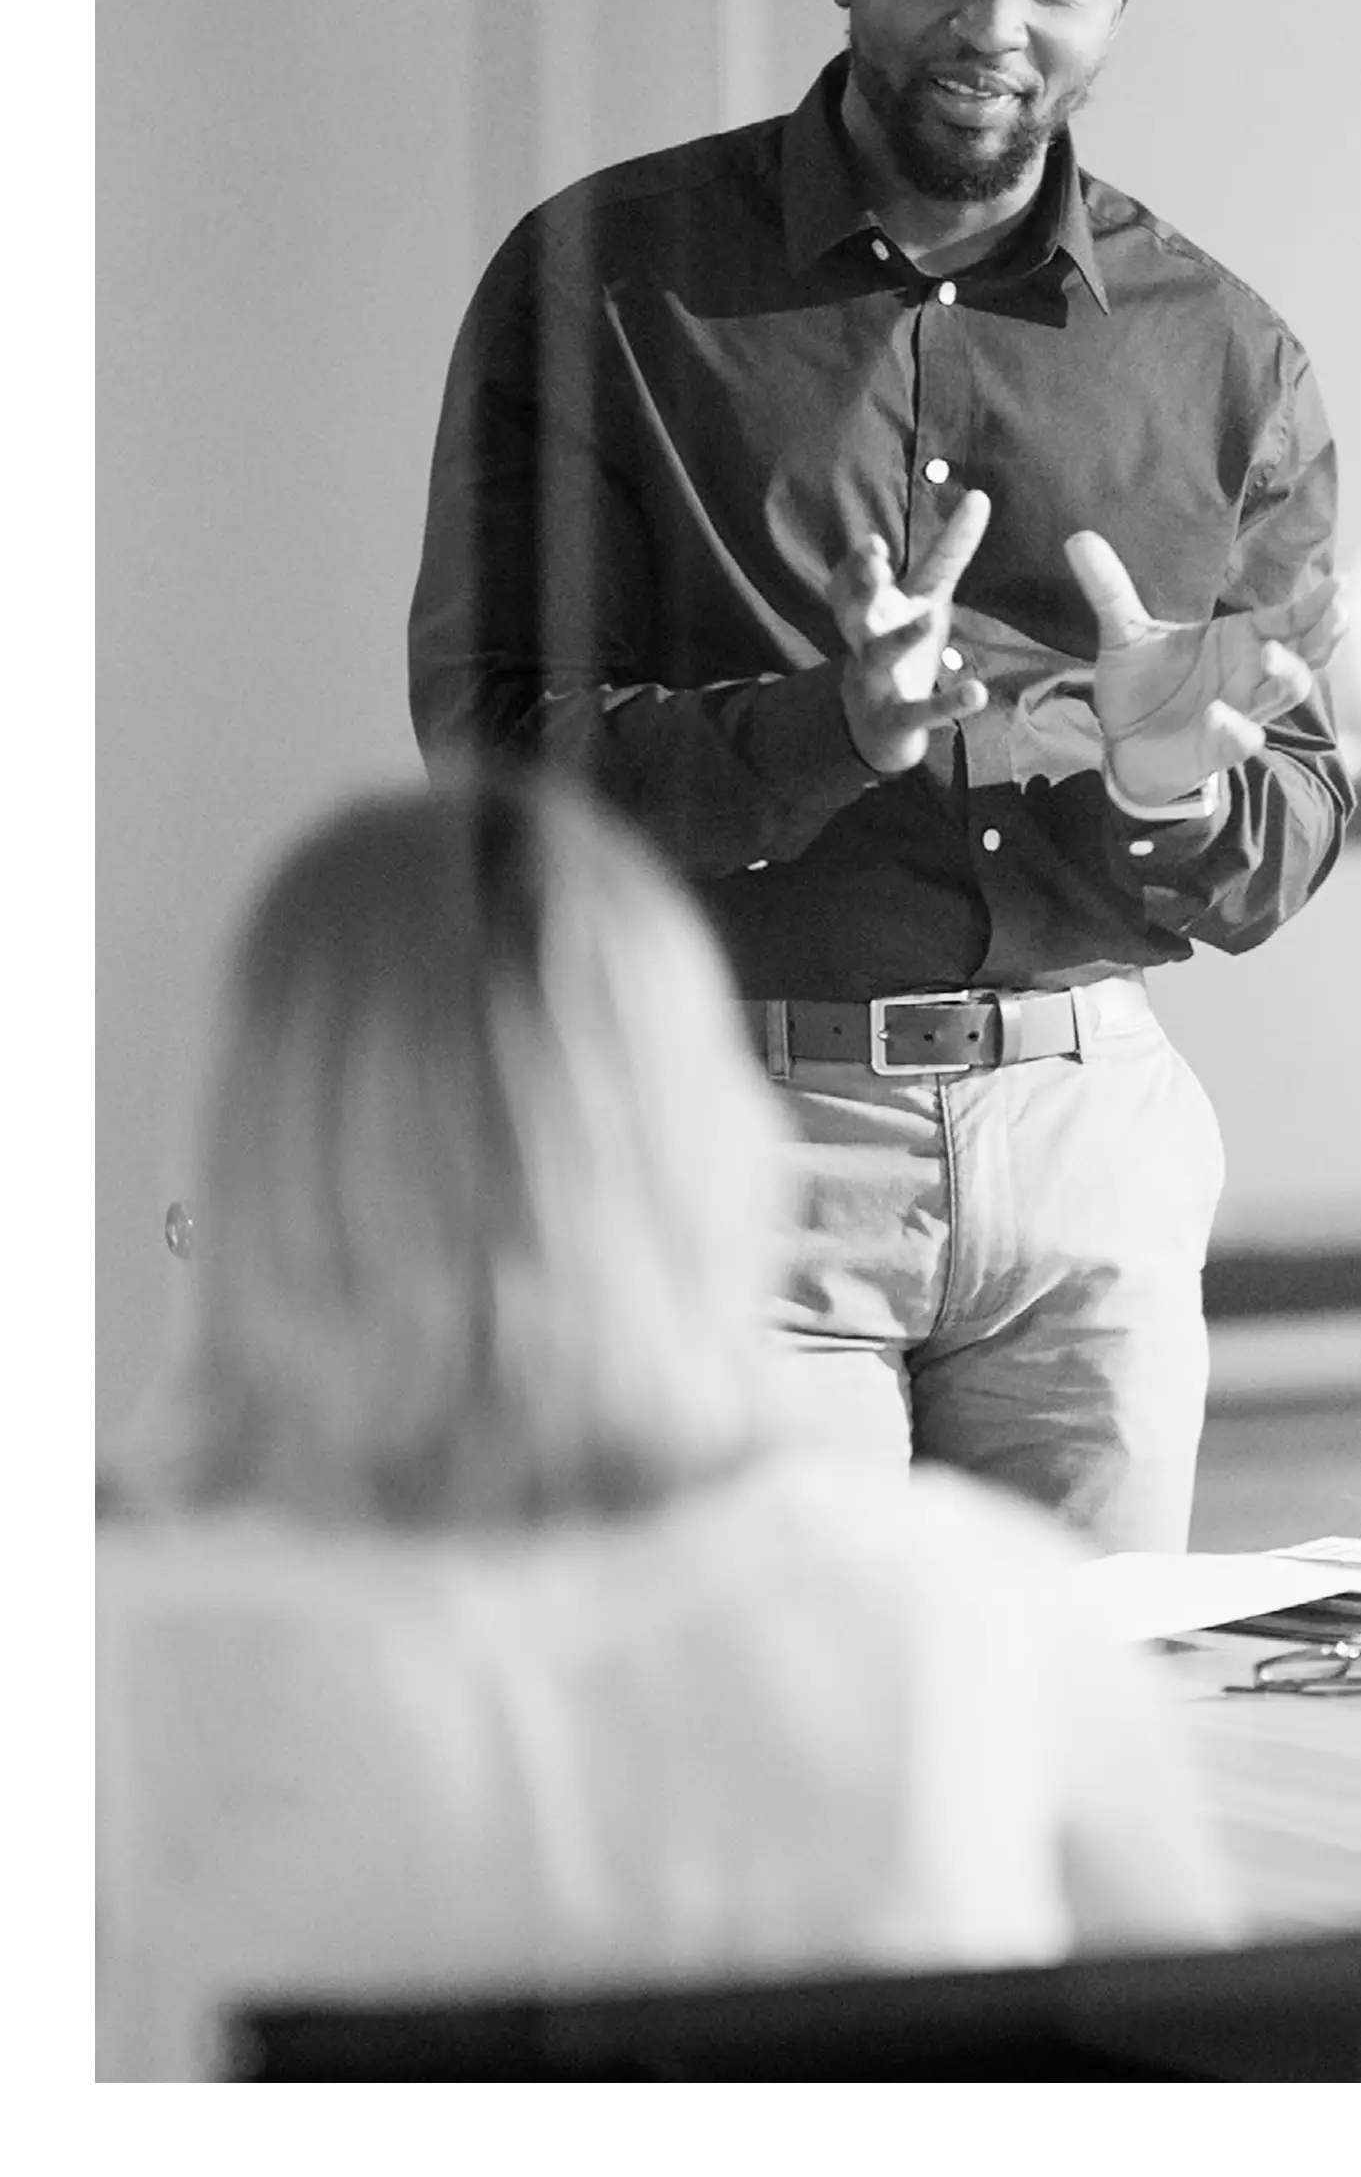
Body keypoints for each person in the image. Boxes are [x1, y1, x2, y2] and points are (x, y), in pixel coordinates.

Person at [409, 0, 1352, 1555]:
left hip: (1088, 1146)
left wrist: (1172, 794)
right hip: (729, 1142)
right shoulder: (599, 286)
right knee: (789, 1763)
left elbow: (1293, 823)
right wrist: (830, 725)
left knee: (1079, 1766)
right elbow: (492, 749)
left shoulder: (1228, 359)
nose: (993, 23)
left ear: (1115, 4)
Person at [89, 773, 1233, 2084]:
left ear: (247, 1178)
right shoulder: (989, 1621)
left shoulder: (100, 1676)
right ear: (711, 1141)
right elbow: (1190, 2079)